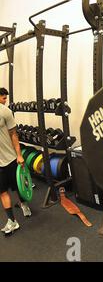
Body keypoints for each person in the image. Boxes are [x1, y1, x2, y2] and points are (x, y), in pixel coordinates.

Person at [0, 87, 32, 235]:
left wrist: (19, 155)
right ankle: (12, 221)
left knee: (18, 187)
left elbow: (14, 134)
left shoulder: (5, 112)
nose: (5, 99)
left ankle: (24, 204)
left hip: (10, 158)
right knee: (2, 192)